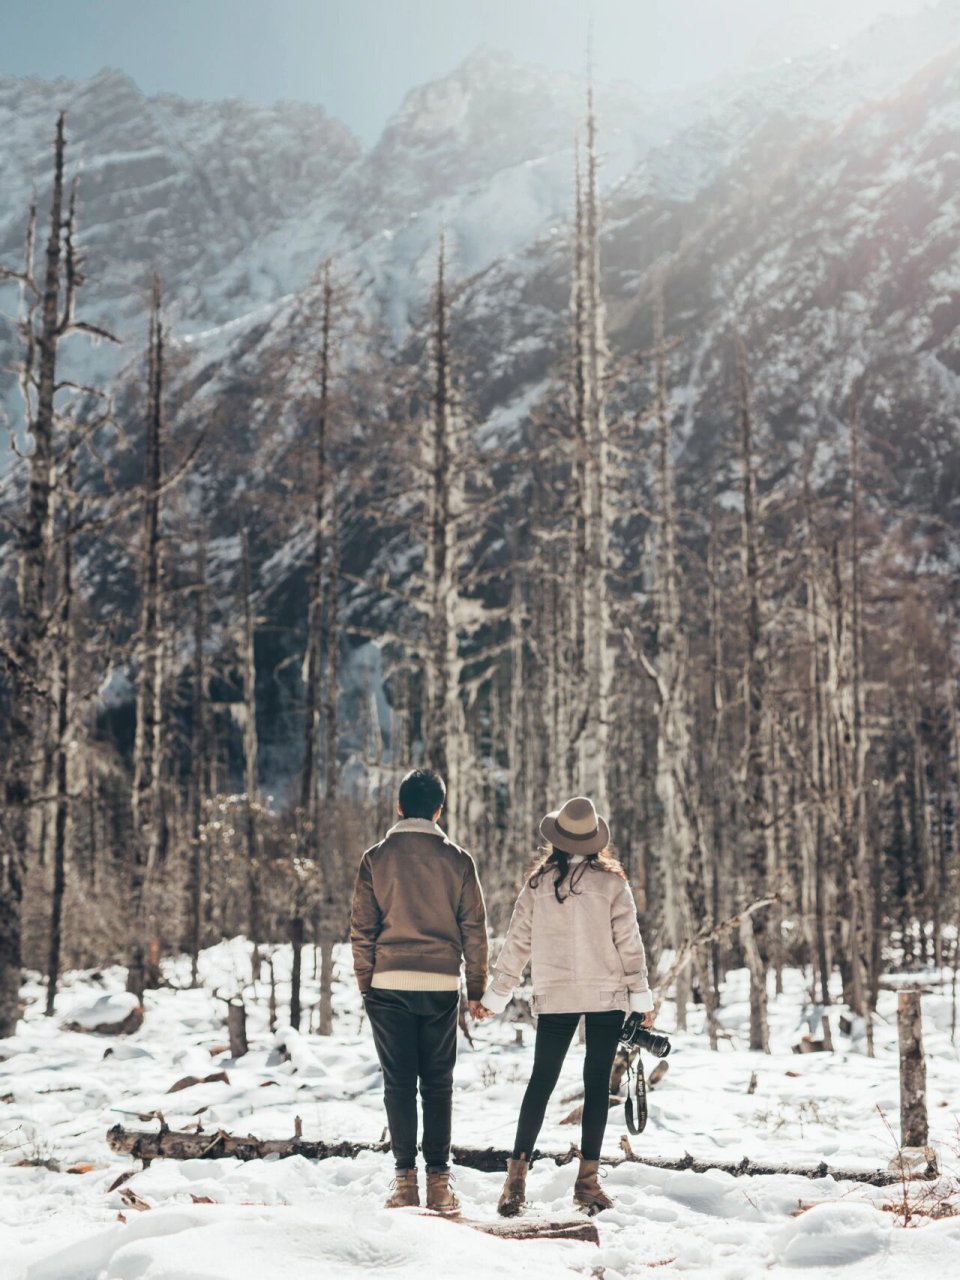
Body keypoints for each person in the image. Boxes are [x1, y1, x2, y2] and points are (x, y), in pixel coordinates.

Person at [478, 795, 653, 1216]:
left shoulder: (537, 885)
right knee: (597, 1086)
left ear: (556, 839)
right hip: (606, 995)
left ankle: (514, 1184)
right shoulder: (613, 884)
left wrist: (495, 997)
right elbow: (629, 945)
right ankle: (587, 1185)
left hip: (554, 994)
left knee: (541, 1081)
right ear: (595, 841)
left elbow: (516, 943)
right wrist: (642, 997)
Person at [351, 767, 488, 1214]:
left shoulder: (376, 858)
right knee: (438, 1085)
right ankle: (441, 1185)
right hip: (440, 984)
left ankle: (405, 1182)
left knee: (398, 1084)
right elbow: (474, 929)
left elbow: (362, 930)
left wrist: (366, 983)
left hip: (388, 983)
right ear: (438, 810)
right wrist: (476, 988)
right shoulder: (459, 860)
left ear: (398, 805)